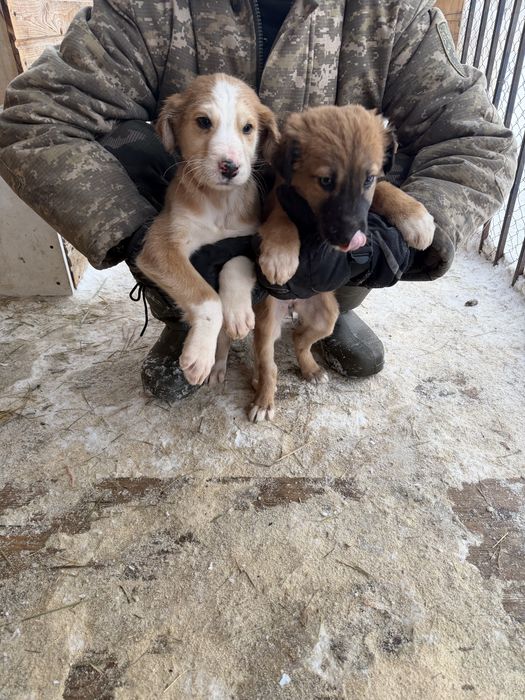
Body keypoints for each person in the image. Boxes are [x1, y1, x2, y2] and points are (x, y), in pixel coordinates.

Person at [0, 0, 516, 402]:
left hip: (327, 242)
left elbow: (479, 142)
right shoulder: (146, 8)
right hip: (192, 227)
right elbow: (33, 120)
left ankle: (329, 309)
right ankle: (185, 314)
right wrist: (136, 231)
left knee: (357, 189)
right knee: (153, 198)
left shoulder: (393, 12)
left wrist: (387, 245)